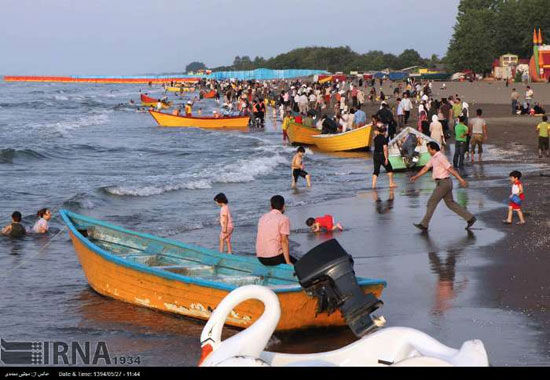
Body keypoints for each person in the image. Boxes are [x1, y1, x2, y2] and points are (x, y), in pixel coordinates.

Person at [410, 142, 476, 231]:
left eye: (429, 149)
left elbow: (450, 169)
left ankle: (424, 224)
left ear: (433, 149)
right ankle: (470, 218)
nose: (428, 151)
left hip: (444, 183)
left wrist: (461, 179)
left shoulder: (441, 157)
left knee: (431, 202)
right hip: (443, 183)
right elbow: (426, 168)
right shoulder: (433, 158)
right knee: (450, 204)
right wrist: (416, 176)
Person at [255, 195, 297, 266]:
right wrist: (288, 262)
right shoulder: (283, 218)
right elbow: (284, 241)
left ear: (271, 207)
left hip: (261, 258)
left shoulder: (262, 217)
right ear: (284, 206)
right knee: (299, 264)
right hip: (274, 258)